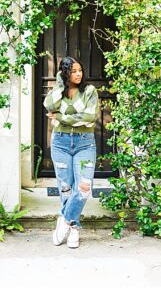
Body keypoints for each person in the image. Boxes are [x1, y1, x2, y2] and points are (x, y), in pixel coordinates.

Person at [42, 56, 99, 248]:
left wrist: (60, 117)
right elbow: (48, 106)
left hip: (85, 144)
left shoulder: (89, 91)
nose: (78, 74)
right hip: (61, 143)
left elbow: (90, 118)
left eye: (80, 70)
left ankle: (65, 220)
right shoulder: (58, 92)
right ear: (65, 73)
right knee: (65, 187)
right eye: (73, 71)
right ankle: (74, 229)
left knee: (84, 186)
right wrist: (59, 84)